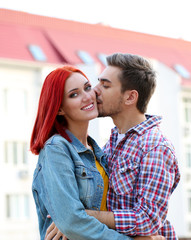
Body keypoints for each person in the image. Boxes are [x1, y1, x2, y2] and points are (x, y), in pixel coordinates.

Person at [30, 66, 163, 240]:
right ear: (60, 108)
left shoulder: (100, 152)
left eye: (87, 88)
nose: (87, 97)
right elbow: (71, 222)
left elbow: (119, 210)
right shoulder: (57, 149)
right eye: (74, 94)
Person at [86, 53, 181, 239]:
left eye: (105, 85)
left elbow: (148, 219)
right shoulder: (113, 141)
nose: (95, 90)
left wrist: (84, 218)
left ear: (130, 97)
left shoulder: (155, 147)